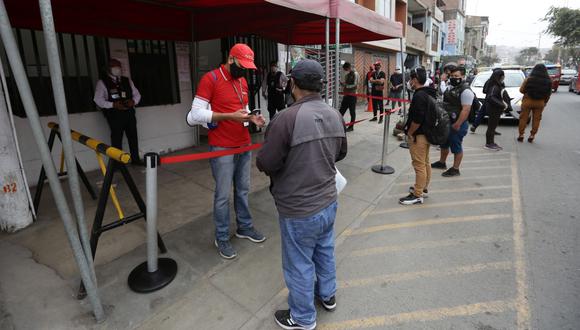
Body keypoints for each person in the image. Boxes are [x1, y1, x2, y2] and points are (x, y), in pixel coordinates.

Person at [256, 59, 347, 330]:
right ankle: (328, 295)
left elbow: (266, 163)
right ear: (321, 85)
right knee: (325, 250)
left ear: (292, 83)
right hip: (329, 200)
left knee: (299, 263)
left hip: (298, 209)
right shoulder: (334, 114)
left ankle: (303, 317)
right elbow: (341, 153)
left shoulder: (285, 118)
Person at [186, 43, 267, 259]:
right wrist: (228, 116)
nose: (246, 71)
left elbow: (244, 109)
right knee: (222, 196)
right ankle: (221, 237)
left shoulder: (241, 81)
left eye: (249, 67)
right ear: (231, 59)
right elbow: (195, 114)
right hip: (222, 147)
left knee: (242, 190)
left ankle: (244, 227)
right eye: (243, 65)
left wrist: (252, 118)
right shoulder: (211, 79)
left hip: (244, 143)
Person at [94, 59, 143, 165]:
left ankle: (135, 159)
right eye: (114, 66)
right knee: (117, 139)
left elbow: (137, 94)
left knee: (133, 136)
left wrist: (133, 101)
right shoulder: (102, 82)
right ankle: (117, 164)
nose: (117, 69)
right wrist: (113, 105)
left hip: (129, 114)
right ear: (108, 68)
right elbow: (98, 99)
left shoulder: (127, 80)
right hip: (114, 116)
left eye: (119, 66)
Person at [400, 67, 435, 205]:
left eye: (410, 79)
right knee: (425, 162)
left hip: (419, 135)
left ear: (414, 80)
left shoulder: (419, 95)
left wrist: (410, 132)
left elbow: (418, 119)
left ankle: (417, 194)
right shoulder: (429, 92)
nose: (409, 82)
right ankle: (422, 188)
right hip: (427, 134)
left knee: (419, 164)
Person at [431, 66, 474, 177]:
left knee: (456, 145)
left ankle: (455, 169)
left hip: (458, 124)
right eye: (452, 76)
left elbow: (466, 109)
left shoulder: (466, 91)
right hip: (447, 121)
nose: (454, 78)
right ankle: (442, 162)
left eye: (457, 76)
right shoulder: (451, 87)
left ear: (463, 76)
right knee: (444, 143)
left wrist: (458, 124)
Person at [518, 63, 552, 143]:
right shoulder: (548, 81)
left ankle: (521, 135)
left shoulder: (529, 79)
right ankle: (532, 135)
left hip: (527, 101)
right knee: (536, 119)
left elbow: (521, 90)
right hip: (540, 103)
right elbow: (548, 94)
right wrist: (545, 102)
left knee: (523, 118)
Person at [482, 69, 509, 150]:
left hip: (495, 109)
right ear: (500, 76)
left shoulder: (496, 84)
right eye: (503, 75)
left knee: (493, 127)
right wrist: (502, 105)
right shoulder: (494, 86)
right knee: (491, 127)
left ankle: (491, 142)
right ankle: (489, 143)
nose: (504, 77)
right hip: (493, 109)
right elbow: (491, 97)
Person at [339, 62, 359, 132]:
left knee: (352, 112)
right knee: (341, 110)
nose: (345, 70)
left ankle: (351, 126)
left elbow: (355, 85)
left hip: (353, 95)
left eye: (345, 69)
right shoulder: (347, 75)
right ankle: (338, 125)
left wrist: (346, 86)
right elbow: (347, 83)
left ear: (348, 67)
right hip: (346, 95)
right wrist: (343, 84)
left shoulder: (355, 74)